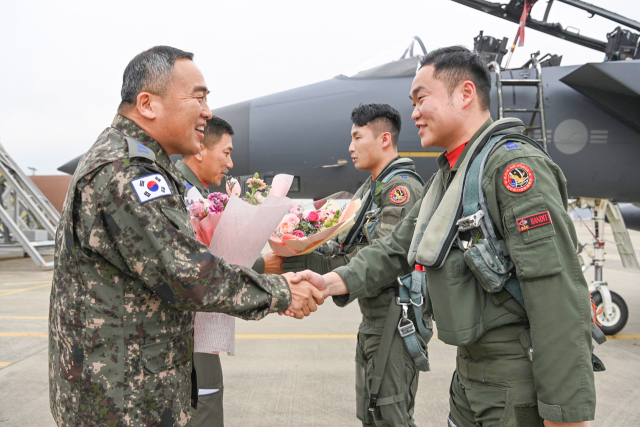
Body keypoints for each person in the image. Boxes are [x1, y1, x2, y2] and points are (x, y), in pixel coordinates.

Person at [292, 47, 597, 427]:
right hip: (470, 378)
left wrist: (564, 414)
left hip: (514, 382)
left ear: (466, 94)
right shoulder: (448, 180)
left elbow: (556, 292)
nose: (414, 113)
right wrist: (329, 281)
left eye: (421, 99)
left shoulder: (512, 169)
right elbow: (393, 249)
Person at [48, 45, 323, 427]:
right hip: (122, 405)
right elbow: (189, 275)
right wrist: (281, 291)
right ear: (148, 104)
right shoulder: (126, 172)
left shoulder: (138, 162)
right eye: (199, 96)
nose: (208, 111)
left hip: (126, 393)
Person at [280, 103, 426, 427]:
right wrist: (288, 252)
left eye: (357, 137)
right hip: (374, 320)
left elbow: (383, 259)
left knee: (390, 414)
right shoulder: (371, 189)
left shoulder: (401, 190)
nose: (350, 147)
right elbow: (345, 251)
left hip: (395, 320)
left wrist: (327, 281)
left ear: (384, 139)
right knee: (372, 412)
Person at [175, 116, 237, 427]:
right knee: (206, 411)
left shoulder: (194, 192)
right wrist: (266, 266)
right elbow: (198, 265)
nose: (230, 162)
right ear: (201, 148)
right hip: (190, 332)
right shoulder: (183, 195)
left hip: (199, 325)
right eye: (225, 153)